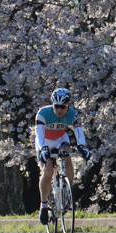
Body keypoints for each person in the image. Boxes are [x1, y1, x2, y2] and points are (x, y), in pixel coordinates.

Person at [36, 88, 91, 225]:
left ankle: (67, 192)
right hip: (44, 142)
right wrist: (43, 149)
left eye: (63, 107)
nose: (59, 110)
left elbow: (79, 132)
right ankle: (43, 205)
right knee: (48, 171)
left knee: (67, 157)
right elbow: (39, 135)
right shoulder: (43, 113)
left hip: (61, 139)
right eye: (56, 106)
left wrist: (82, 147)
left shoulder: (73, 114)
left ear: (68, 106)